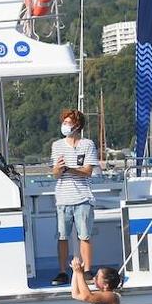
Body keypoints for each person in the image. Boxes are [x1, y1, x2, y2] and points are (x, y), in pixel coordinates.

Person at [51, 108, 100, 284]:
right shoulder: (57, 145)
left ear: (77, 125)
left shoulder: (88, 144)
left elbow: (88, 171)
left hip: (83, 197)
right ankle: (63, 271)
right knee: (62, 236)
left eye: (68, 122)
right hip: (63, 198)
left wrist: (69, 169)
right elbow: (55, 173)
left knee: (84, 236)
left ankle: (87, 270)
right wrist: (58, 168)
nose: (65, 125)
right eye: (63, 122)